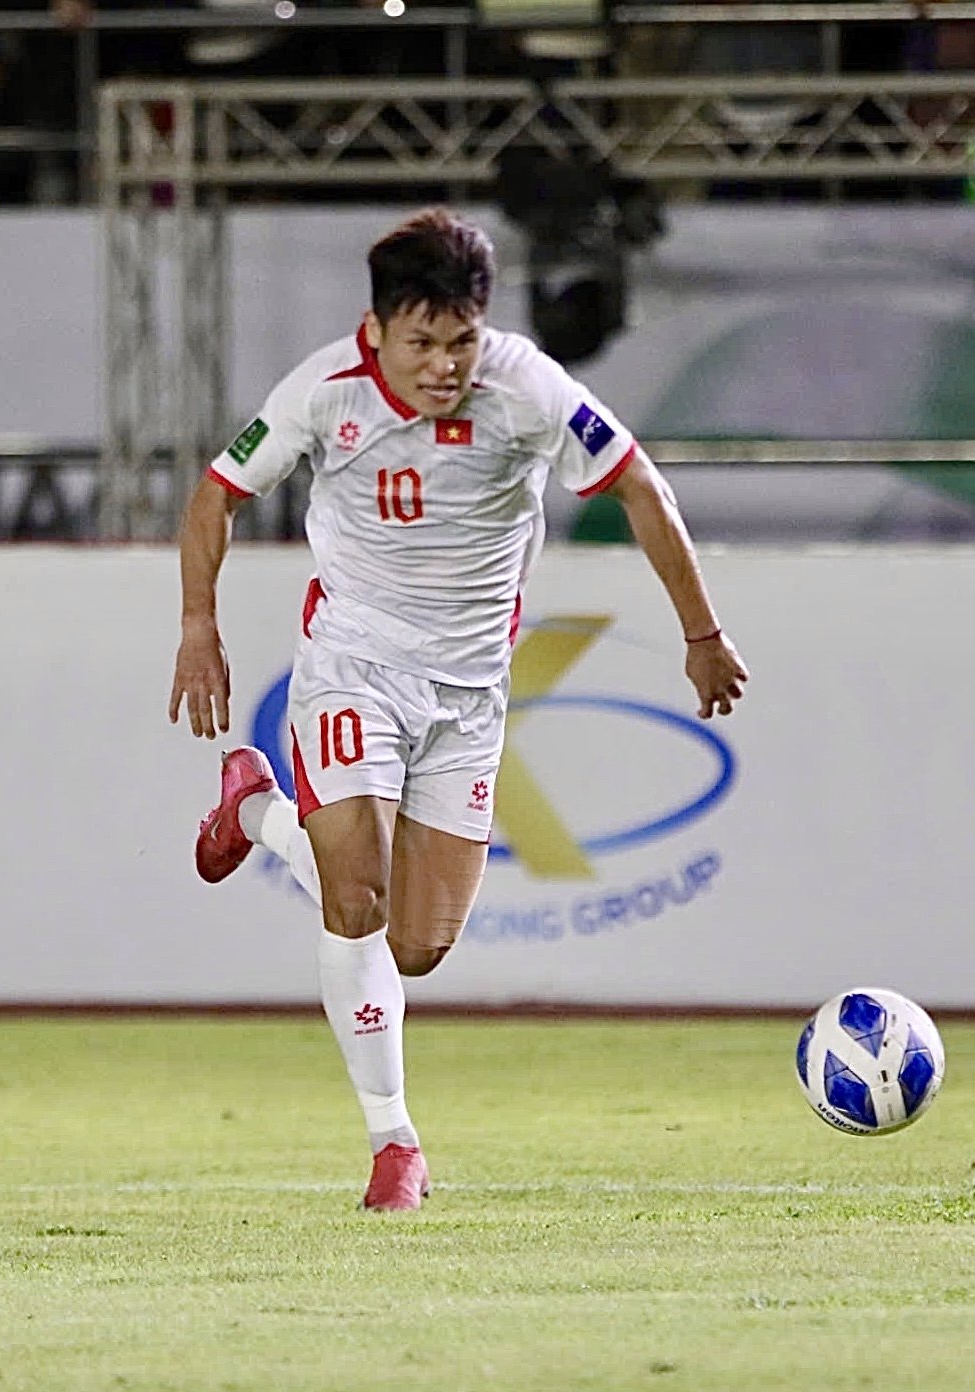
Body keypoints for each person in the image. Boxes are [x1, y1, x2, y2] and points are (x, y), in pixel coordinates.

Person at [167, 209, 747, 1212]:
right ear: (376, 330)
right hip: (353, 666)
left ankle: (254, 810)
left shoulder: (526, 388)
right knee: (355, 898)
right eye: (420, 342)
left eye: (460, 340)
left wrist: (701, 633)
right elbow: (217, 493)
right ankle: (393, 1145)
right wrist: (196, 626)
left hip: (470, 693)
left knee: (414, 947)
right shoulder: (323, 391)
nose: (443, 365)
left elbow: (640, 489)